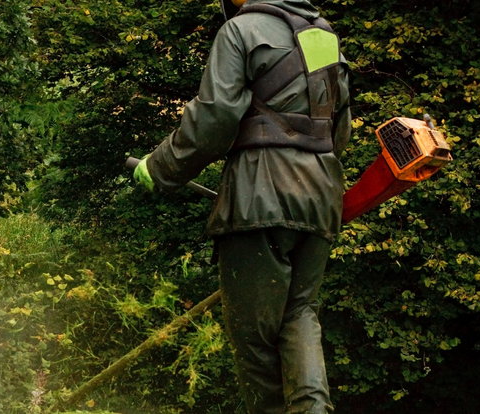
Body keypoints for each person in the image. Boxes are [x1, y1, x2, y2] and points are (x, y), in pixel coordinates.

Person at [132, 0, 352, 412]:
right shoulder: (324, 36)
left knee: (255, 340)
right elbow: (339, 132)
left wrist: (160, 168)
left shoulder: (242, 30)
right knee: (300, 315)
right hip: (322, 198)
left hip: (259, 199)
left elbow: (214, 118)